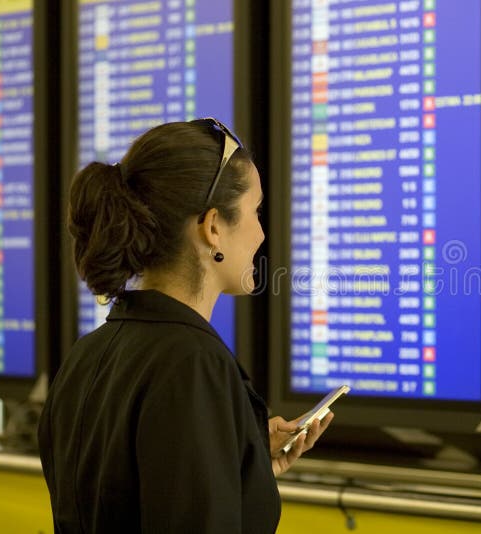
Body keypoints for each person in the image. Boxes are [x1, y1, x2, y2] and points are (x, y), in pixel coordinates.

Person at [37, 118, 331, 533]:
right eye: (255, 211)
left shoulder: (86, 355)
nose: (262, 233)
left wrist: (241, 463)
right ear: (212, 227)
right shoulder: (193, 364)